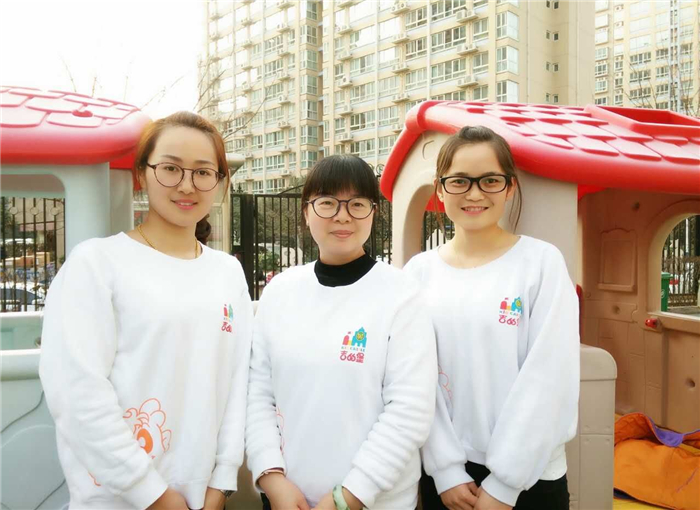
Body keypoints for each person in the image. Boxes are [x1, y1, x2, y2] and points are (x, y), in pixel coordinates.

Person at [39, 112, 253, 510]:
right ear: (142, 173)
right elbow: (76, 391)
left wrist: (222, 481)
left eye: (203, 172)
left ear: (219, 182)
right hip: (117, 499)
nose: (187, 185)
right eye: (170, 168)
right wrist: (151, 494)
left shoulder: (228, 272)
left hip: (204, 497)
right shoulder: (97, 263)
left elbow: (237, 380)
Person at [245, 155, 437, 510]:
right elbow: (258, 394)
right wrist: (271, 478)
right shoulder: (279, 292)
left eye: (357, 204)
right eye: (328, 203)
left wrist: (347, 498)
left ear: (374, 212)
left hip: (376, 501)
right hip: (288, 499)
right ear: (306, 212)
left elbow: (410, 410)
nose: (343, 215)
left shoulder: (402, 295)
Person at [405, 126, 579, 510]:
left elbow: (551, 378)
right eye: (459, 181)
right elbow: (413, 379)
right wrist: (445, 471)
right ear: (439, 189)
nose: (474, 193)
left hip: (531, 476)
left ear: (510, 187)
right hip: (448, 481)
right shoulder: (418, 273)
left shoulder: (541, 264)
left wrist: (504, 484)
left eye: (490, 180)